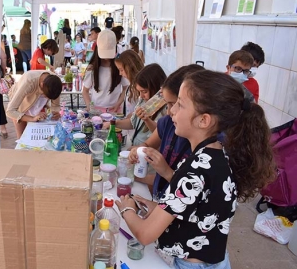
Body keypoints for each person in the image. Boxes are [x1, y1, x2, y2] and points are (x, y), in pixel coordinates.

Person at [117, 70, 275, 268]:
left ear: (204, 120)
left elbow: (145, 234)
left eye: (180, 104)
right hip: (215, 259)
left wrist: (127, 209)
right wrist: (156, 208)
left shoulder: (194, 169)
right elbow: (198, 211)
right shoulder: (218, 156)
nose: (172, 111)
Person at [128, 64, 204, 196]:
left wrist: (166, 172)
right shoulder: (167, 123)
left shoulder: (207, 148)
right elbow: (147, 144)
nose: (169, 111)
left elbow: (195, 196)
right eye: (167, 104)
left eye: (176, 104)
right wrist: (138, 150)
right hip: (162, 201)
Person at [103, 63, 167, 147]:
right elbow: (133, 122)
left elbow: (160, 133)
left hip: (147, 152)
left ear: (156, 87)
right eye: (139, 91)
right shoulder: (143, 100)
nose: (141, 96)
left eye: (144, 91)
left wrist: (146, 120)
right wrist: (113, 123)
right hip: (137, 148)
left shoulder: (166, 108)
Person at [82, 29, 129, 113]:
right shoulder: (92, 68)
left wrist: (118, 103)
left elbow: (126, 87)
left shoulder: (120, 67)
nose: (106, 57)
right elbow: (85, 91)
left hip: (115, 110)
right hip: (96, 110)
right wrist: (90, 107)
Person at [6, 70, 62, 138]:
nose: (46, 99)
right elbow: (10, 111)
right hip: (20, 103)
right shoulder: (29, 81)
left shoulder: (54, 83)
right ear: (42, 84)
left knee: (35, 135)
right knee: (22, 137)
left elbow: (56, 105)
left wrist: (55, 112)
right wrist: (32, 118)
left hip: (35, 98)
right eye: (45, 96)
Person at [114, 50, 144, 116]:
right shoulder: (131, 86)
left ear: (129, 68)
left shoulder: (141, 87)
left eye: (121, 70)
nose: (120, 73)